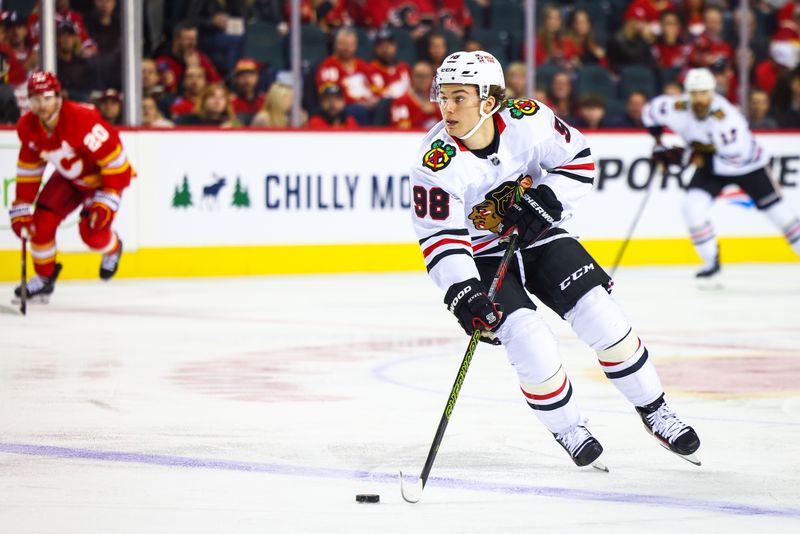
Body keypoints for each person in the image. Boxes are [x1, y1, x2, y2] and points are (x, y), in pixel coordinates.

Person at [410, 50, 701, 469]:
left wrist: (547, 198)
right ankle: (568, 427)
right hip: (482, 255)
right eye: (443, 96)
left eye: (459, 97)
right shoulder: (435, 163)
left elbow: (577, 160)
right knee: (530, 341)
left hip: (540, 233)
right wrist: (462, 290)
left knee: (603, 317)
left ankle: (655, 410)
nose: (447, 107)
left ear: (488, 102)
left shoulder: (529, 121)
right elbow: (439, 237)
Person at [642, 68, 800, 278]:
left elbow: (732, 156)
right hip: (712, 165)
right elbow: (649, 113)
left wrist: (686, 157)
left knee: (779, 214)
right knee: (692, 207)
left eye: (704, 93)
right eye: (694, 93)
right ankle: (710, 261)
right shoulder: (675, 107)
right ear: (687, 93)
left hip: (747, 166)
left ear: (712, 93)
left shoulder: (726, 118)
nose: (699, 98)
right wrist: (659, 143)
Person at [8, 71, 134, 301]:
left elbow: (116, 162)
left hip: (99, 183)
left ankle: (113, 247)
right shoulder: (28, 126)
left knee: (92, 234)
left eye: (46, 98)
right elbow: (29, 169)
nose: (42, 105)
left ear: (58, 96)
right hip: (69, 180)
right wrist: (22, 206)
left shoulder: (81, 118)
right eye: (35, 99)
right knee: (39, 224)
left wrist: (108, 198)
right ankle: (45, 279)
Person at [388, 60, 440, 129]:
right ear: (412, 77)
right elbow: (401, 129)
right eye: (419, 76)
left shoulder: (437, 100)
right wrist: (423, 112)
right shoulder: (401, 101)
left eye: (427, 76)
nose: (423, 80)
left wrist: (434, 111)